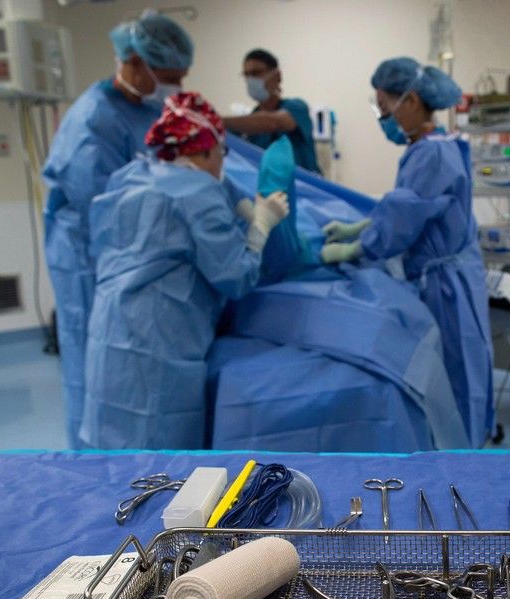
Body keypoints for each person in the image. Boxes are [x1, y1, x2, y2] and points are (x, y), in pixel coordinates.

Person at [79, 93, 290, 449]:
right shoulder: (198, 193)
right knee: (159, 464)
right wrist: (261, 227)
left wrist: (235, 202)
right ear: (208, 151)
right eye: (221, 154)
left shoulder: (132, 176)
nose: (222, 164)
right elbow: (236, 276)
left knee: (111, 456)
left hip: (109, 336)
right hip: (156, 345)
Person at [320, 57, 494, 448]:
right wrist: (364, 223)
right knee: (462, 369)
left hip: (446, 287)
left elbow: (405, 216)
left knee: (458, 374)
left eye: (385, 108)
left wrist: (357, 245)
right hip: (453, 274)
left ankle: (463, 457)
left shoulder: (430, 154)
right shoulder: (439, 144)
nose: (383, 119)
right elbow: (414, 205)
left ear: (411, 100)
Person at [42, 12, 193, 447]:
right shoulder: (92, 121)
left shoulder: (145, 109)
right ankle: (92, 457)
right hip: (87, 253)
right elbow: (105, 205)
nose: (174, 88)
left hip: (122, 247)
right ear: (133, 62)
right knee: (94, 355)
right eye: (167, 77)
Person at [222, 48, 321, 175]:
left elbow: (272, 123)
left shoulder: (297, 107)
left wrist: (216, 119)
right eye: (246, 75)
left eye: (256, 73)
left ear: (278, 76)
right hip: (268, 191)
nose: (250, 80)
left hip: (304, 189)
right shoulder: (249, 124)